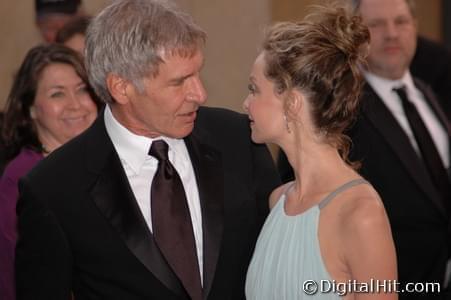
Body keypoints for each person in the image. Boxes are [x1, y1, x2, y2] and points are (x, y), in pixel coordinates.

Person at [15, 1, 280, 299]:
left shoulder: (238, 139)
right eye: (179, 82)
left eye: (197, 73)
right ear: (121, 87)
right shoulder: (53, 188)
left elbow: (278, 257)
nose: (200, 94)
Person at [244, 4, 397, 300]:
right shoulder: (277, 202)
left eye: (254, 89)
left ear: (292, 103)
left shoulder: (360, 213)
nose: (246, 104)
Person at [346, 0, 450, 298]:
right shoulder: (341, 112)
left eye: (401, 22)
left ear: (415, 27)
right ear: (355, 35)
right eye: (376, 25)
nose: (391, 33)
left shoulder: (427, 93)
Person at [0, 44, 99, 300]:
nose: (75, 105)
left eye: (82, 90)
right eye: (57, 94)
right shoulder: (21, 179)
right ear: (31, 108)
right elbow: (13, 278)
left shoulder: (103, 164)